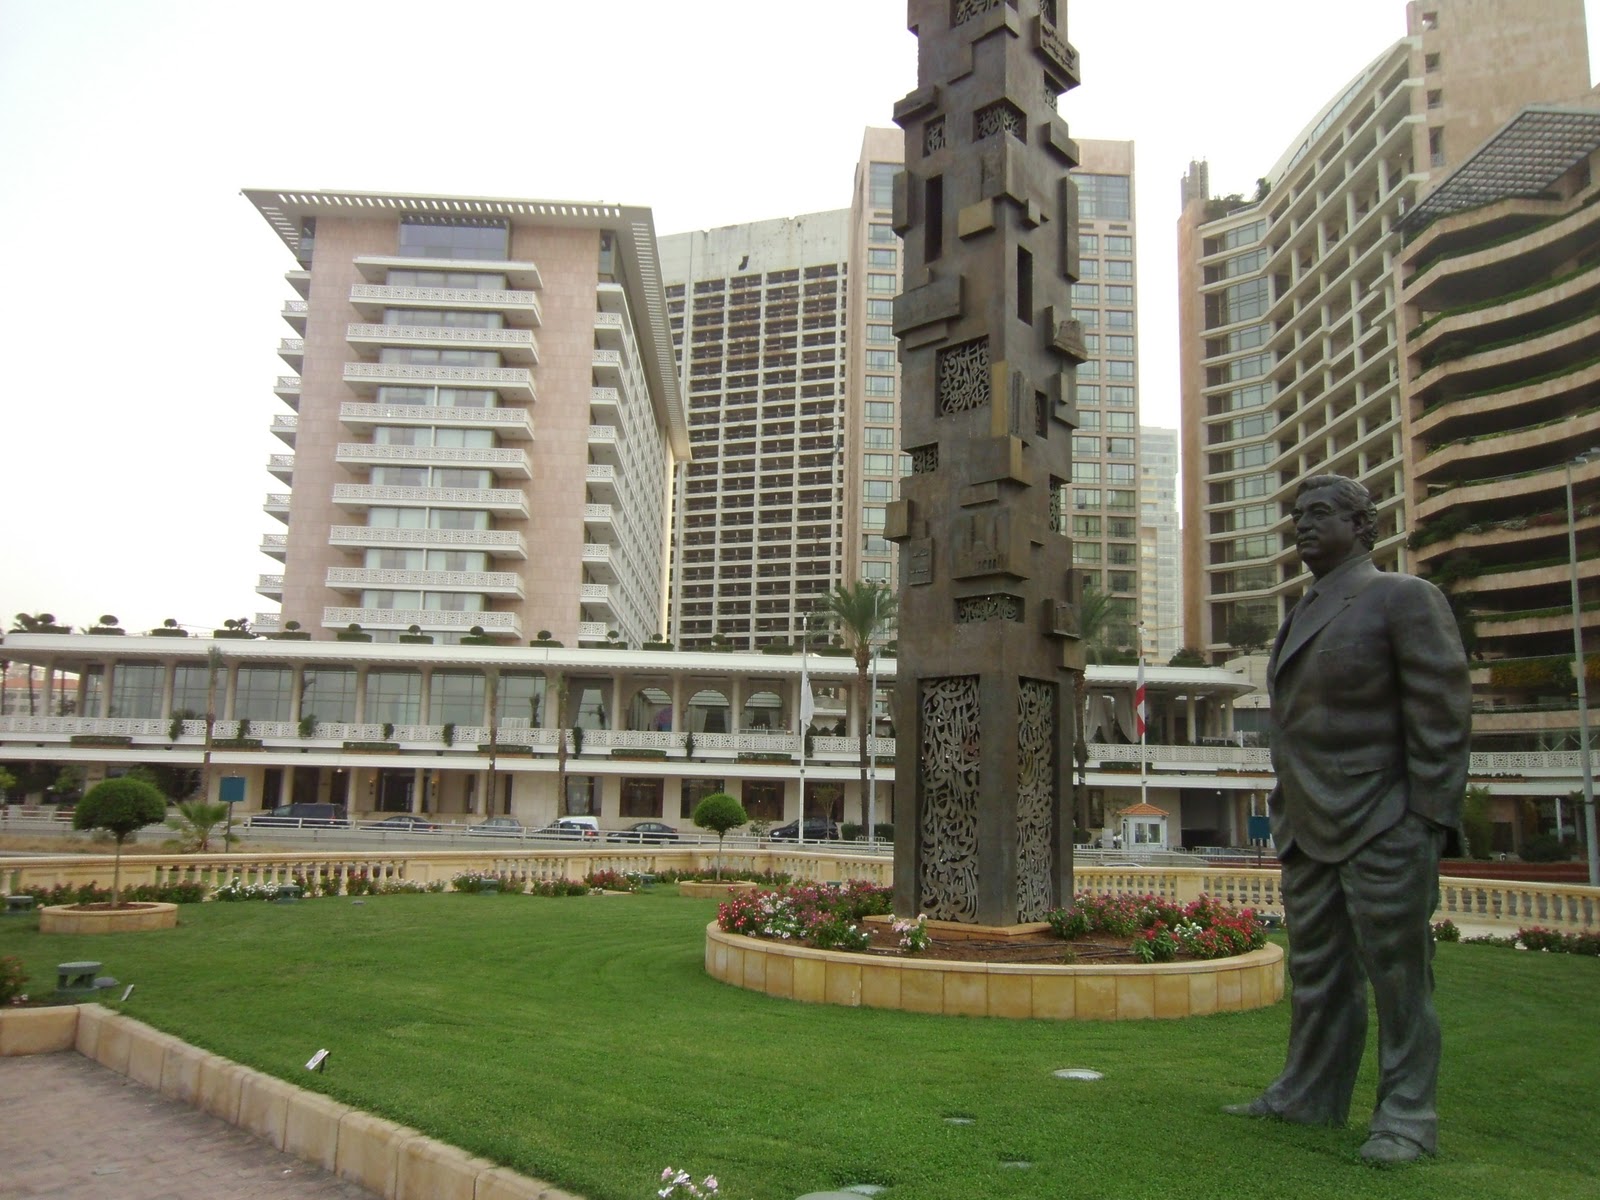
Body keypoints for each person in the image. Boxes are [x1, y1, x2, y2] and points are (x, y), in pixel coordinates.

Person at [1224, 474, 1470, 1165]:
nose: (1302, 525)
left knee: (1398, 975)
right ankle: (1310, 1093)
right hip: (1307, 821)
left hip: (1384, 816)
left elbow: (1442, 720)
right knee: (1320, 970)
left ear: (1363, 526)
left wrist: (1426, 821)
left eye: (1320, 513)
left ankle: (1408, 1115)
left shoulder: (1404, 599)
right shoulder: (1301, 611)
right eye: (1298, 515)